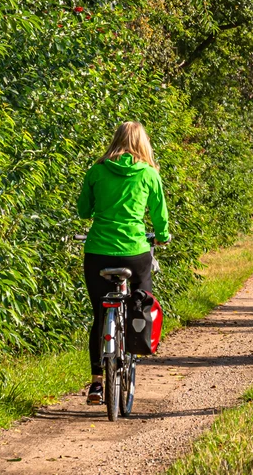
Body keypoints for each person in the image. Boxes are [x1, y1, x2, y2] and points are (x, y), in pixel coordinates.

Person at [77, 121, 170, 404]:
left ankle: (96, 383)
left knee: (98, 316)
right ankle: (132, 346)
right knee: (141, 300)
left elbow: (83, 211)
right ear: (143, 143)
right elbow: (159, 214)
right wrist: (162, 237)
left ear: (115, 140)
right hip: (135, 250)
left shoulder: (96, 171)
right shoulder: (149, 174)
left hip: (98, 252)